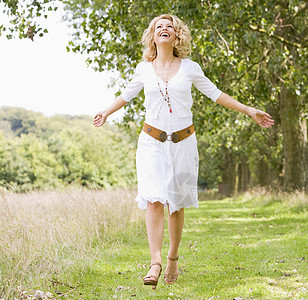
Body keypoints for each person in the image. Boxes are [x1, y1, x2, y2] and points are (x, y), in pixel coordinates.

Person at [93, 14, 274, 289]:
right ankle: (154, 263)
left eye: (170, 27)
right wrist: (105, 111)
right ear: (153, 36)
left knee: (175, 205)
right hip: (151, 142)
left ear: (177, 35)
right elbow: (126, 95)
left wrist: (249, 110)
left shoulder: (190, 67)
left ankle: (173, 257)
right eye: (159, 27)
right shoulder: (144, 69)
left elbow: (216, 94)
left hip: (183, 143)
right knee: (154, 200)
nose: (164, 30)